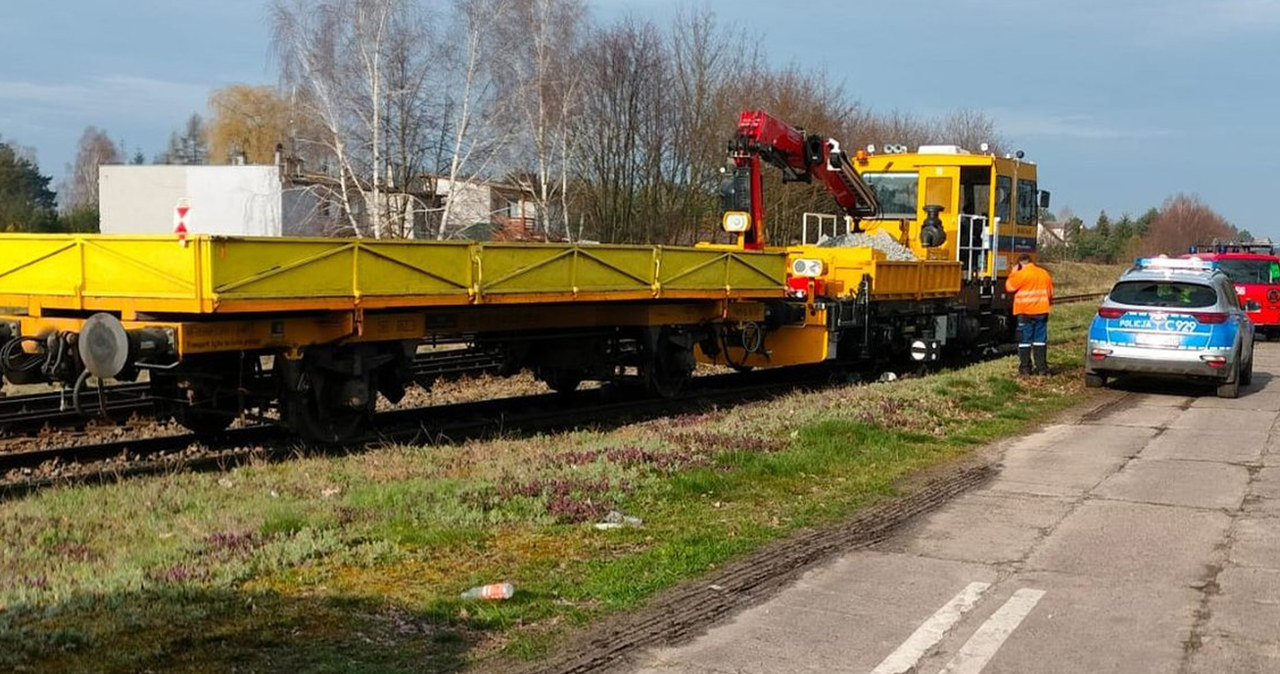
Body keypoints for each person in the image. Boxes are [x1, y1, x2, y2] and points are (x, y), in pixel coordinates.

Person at [1005, 253, 1054, 375]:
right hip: (1041, 311)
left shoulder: (1021, 274)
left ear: (1019, 264)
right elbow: (1050, 293)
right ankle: (1042, 368)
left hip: (1025, 312)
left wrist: (1013, 273)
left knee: (1024, 340)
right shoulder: (1044, 273)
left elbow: (1009, 287)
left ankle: (1025, 368)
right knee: (1040, 340)